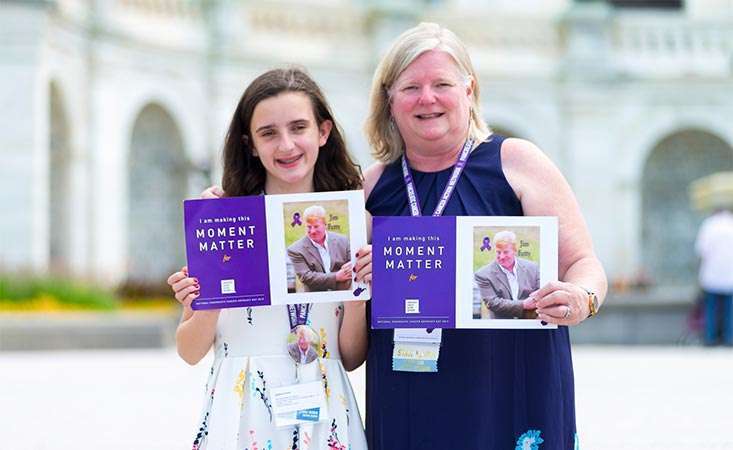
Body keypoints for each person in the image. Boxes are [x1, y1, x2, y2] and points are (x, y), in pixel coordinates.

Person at [362, 23, 607, 449]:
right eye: (411, 87)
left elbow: (585, 263)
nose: (427, 98)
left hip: (512, 390)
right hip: (408, 395)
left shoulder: (517, 162)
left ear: (469, 90)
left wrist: (581, 298)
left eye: (442, 83)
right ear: (389, 99)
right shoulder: (372, 186)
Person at [166, 68, 370, 450]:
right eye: (269, 133)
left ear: (322, 132)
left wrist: (359, 291)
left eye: (298, 127)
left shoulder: (356, 221)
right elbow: (189, 351)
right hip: (242, 408)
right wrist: (207, 298)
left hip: (324, 408)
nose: (287, 145)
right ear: (250, 144)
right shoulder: (223, 218)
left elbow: (352, 356)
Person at [474, 230, 540, 319]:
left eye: (505, 252)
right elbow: (492, 303)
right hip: (500, 326)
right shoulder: (482, 274)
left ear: (515, 250)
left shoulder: (533, 268)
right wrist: (523, 304)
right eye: (498, 252)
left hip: (529, 323)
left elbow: (540, 292)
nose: (501, 257)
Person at [287, 205, 353, 292]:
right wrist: (336, 277)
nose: (312, 231)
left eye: (316, 226)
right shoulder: (294, 249)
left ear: (325, 225)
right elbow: (306, 277)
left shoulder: (343, 240)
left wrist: (351, 265)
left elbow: (353, 262)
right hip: (316, 298)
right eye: (309, 227)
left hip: (343, 293)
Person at [695, 207, 733, 346]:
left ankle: (710, 338)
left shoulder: (708, 225)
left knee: (711, 308)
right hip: (730, 275)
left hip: (711, 274)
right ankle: (730, 338)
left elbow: (701, 251)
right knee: (730, 310)